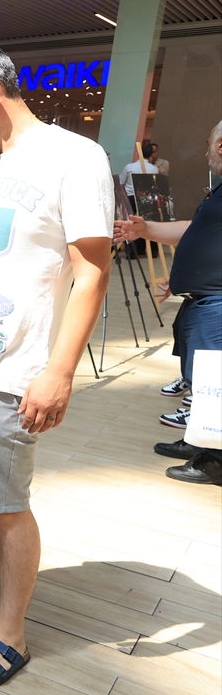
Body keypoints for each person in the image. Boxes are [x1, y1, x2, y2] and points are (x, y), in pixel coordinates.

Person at [0, 40, 113, 686]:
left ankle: (12, 633)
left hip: (14, 370)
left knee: (3, 501)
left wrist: (59, 370)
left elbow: (92, 273)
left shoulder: (75, 157)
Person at [115, 120, 222, 485]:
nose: (207, 150)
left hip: (217, 306)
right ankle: (200, 442)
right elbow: (195, 232)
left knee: (214, 384)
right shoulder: (218, 193)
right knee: (202, 381)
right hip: (203, 303)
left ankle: (214, 460)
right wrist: (146, 230)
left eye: (210, 143)